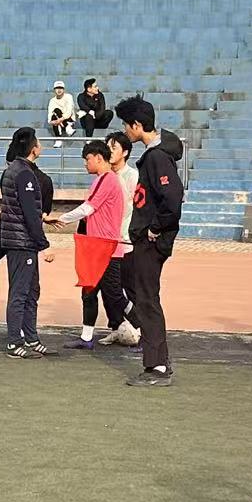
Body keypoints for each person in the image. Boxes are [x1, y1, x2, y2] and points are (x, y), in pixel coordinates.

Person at [117, 95, 183, 387]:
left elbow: (173, 198)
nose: (125, 130)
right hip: (145, 238)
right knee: (144, 298)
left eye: (126, 125)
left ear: (137, 125)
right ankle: (157, 361)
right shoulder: (155, 154)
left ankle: (157, 366)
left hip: (151, 241)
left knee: (146, 300)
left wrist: (156, 228)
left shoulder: (157, 157)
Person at [50, 138, 131, 349]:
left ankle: (144, 330)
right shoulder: (102, 180)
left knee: (115, 296)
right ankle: (86, 338)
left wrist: (61, 218)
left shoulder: (108, 179)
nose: (86, 163)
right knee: (89, 292)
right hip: (96, 247)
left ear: (98, 158)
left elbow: (87, 208)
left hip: (107, 248)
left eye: (87, 159)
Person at [0, 143, 54, 321]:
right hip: (3, 228)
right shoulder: (10, 174)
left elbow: (41, 211)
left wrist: (42, 229)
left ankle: (24, 320)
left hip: (24, 235)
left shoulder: (43, 180)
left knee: (25, 280)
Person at [0, 126, 55, 358]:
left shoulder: (12, 170)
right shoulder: (23, 174)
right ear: (33, 148)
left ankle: (31, 337)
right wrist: (44, 244)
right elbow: (31, 213)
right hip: (21, 242)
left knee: (32, 291)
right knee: (20, 293)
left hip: (20, 241)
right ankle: (14, 342)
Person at [96, 131, 142, 348]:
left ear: (125, 152)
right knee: (109, 289)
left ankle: (140, 329)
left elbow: (132, 207)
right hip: (106, 241)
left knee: (129, 288)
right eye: (107, 147)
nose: (109, 151)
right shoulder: (104, 176)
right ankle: (116, 327)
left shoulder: (132, 176)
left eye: (113, 148)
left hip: (125, 240)